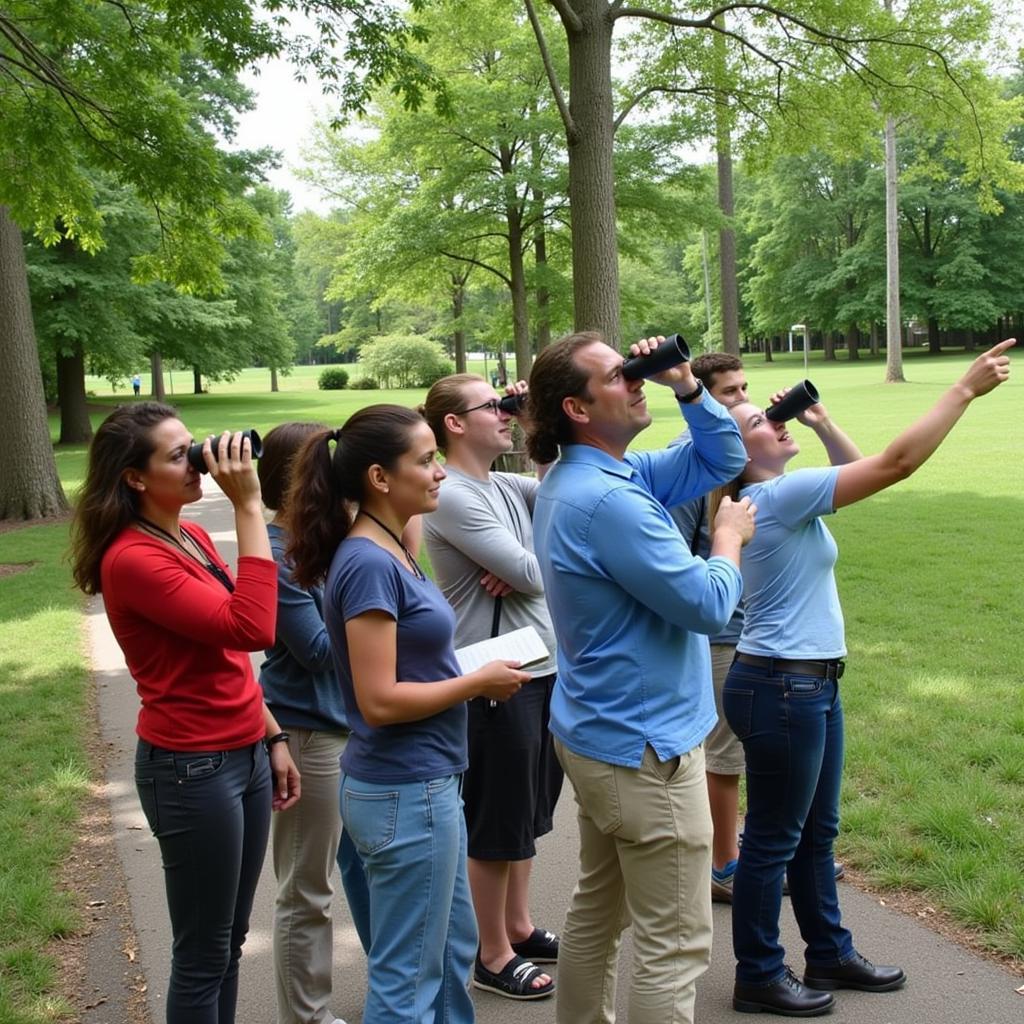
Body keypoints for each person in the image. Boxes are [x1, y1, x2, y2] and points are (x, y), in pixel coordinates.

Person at [721, 338, 1015, 1017]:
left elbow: (860, 476)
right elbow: (898, 464)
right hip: (783, 688)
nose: (775, 420)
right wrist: (962, 390)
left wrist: (821, 423)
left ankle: (827, 951)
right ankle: (758, 974)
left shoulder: (776, 495)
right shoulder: (777, 494)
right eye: (759, 422)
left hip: (806, 683)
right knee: (772, 839)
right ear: (737, 454)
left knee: (814, 833)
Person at [525, 332, 757, 1024]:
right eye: (619, 376)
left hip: (603, 737)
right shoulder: (611, 503)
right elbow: (710, 602)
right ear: (576, 407)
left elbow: (725, 455)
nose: (636, 383)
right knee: (676, 941)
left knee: (599, 911)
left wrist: (687, 385)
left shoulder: (596, 479)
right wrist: (726, 540)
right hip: (645, 750)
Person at [284, 404, 531, 1024]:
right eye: (425, 461)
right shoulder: (368, 562)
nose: (441, 472)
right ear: (379, 478)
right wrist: (475, 683)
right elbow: (379, 699)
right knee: (407, 978)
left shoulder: (391, 544)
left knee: (447, 955)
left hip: (422, 783)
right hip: (404, 790)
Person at [69, 402, 300, 1024]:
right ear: (135, 477)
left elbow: (224, 656)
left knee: (227, 941)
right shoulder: (133, 559)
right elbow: (253, 626)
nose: (198, 459)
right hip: (191, 771)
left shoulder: (189, 534)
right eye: (178, 455)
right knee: (202, 954)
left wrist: (271, 734)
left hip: (244, 754)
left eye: (190, 445)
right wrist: (250, 506)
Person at [669, 353, 852, 903]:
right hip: (726, 633)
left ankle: (764, 854)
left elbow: (853, 474)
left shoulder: (770, 479)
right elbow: (672, 561)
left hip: (761, 631)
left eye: (745, 388)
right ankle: (726, 860)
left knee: (755, 765)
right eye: (728, 393)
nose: (741, 398)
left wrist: (818, 421)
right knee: (724, 756)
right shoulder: (696, 473)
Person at [421, 375, 562, 1001]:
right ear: (454, 423)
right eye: (497, 408)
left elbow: (568, 503)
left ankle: (518, 925)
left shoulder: (506, 483)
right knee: (497, 816)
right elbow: (535, 571)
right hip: (493, 676)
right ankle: (492, 952)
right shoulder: (451, 493)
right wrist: (528, 560)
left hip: (541, 666)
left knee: (529, 811)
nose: (507, 415)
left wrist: (537, 422)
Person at [258, 422, 371, 1024]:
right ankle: (307, 1016)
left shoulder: (334, 544)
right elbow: (323, 651)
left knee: (373, 870)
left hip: (353, 729)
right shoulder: (277, 558)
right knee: (306, 889)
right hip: (309, 734)